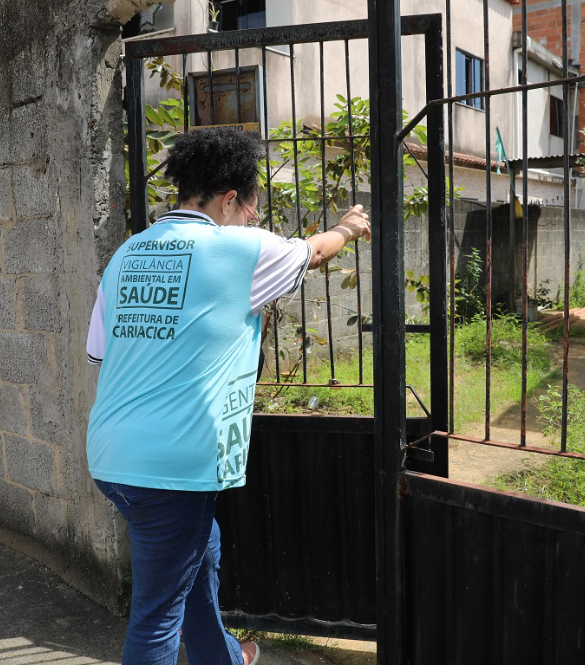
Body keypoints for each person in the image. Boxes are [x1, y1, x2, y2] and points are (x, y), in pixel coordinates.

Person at [85, 127, 371, 665]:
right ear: (229, 199)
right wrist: (347, 227)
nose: (256, 219)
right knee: (156, 615)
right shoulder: (239, 248)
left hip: (111, 455)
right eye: (252, 207)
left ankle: (224, 657)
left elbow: (99, 353)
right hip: (174, 464)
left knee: (200, 548)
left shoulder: (127, 254)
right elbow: (312, 252)